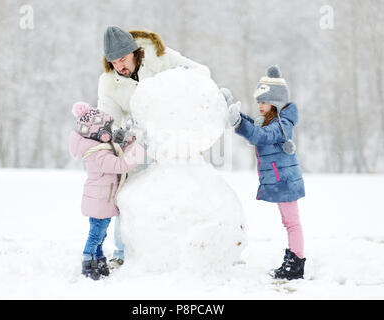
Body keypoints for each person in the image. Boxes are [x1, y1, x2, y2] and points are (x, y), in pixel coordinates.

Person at [97, 25, 211, 267]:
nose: (119, 66)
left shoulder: (161, 56)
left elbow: (201, 72)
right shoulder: (108, 82)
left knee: (182, 191)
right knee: (128, 194)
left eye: (123, 59)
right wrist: (121, 133)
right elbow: (108, 122)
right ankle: (123, 251)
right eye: (114, 62)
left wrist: (186, 91)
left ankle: (190, 248)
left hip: (173, 136)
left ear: (135, 52)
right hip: (137, 143)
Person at [223, 65, 306, 280]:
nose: (259, 105)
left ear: (276, 103)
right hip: (281, 180)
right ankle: (294, 259)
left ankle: (296, 263)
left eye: (263, 101)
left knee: (292, 223)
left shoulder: (282, 124)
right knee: (289, 222)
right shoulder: (270, 121)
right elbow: (255, 128)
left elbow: (260, 136)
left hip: (286, 181)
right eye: (258, 101)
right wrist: (233, 111)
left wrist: (239, 123)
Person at [68, 101, 144, 280]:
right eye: (109, 128)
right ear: (100, 134)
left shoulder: (100, 148)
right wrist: (140, 148)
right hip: (99, 201)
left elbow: (118, 151)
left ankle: (99, 260)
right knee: (96, 235)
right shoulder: (98, 154)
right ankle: (88, 262)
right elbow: (121, 164)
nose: (112, 130)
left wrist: (128, 140)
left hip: (102, 199)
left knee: (100, 234)